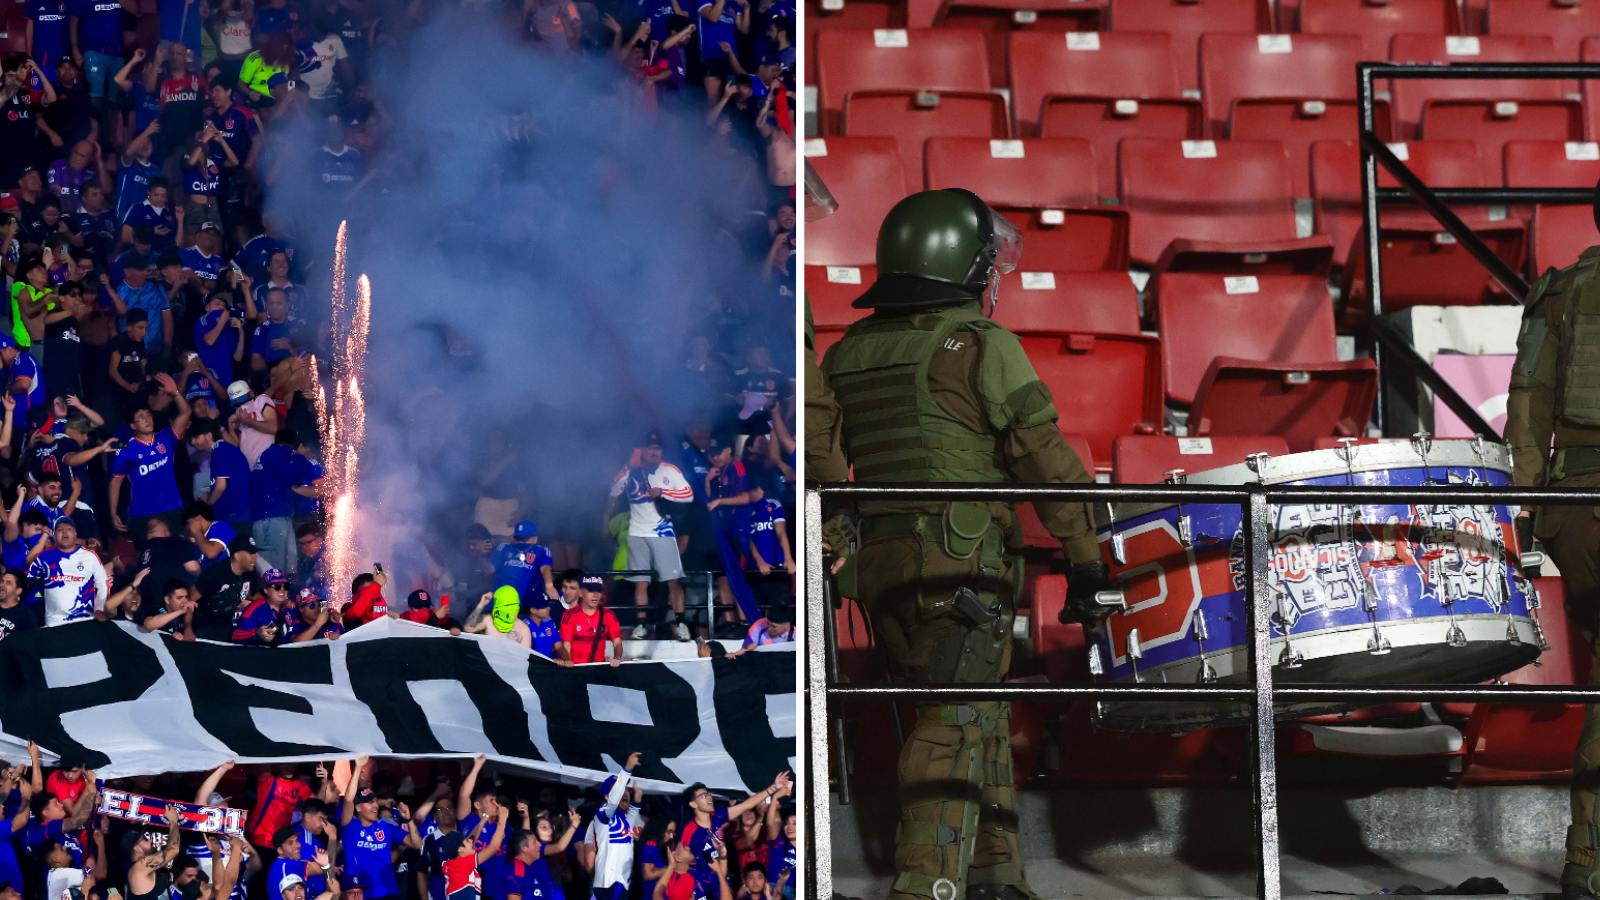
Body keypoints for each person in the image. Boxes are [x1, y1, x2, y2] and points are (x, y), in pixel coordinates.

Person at [819, 188, 1107, 900]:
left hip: (880, 567)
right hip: (960, 562)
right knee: (954, 720)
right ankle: (926, 886)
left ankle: (995, 876)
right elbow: (1045, 460)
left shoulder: (848, 351)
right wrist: (1086, 559)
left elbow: (827, 463)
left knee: (980, 712)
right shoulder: (980, 343)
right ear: (965, 266)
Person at [1507, 201, 1600, 900]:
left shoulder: (1562, 290)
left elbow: (1528, 404)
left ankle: (1586, 861)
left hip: (1578, 504)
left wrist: (1527, 509)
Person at [607, 432, 694, 641]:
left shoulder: (670, 470)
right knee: (641, 582)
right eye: (649, 448)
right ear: (641, 450)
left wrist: (663, 492)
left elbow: (688, 494)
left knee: (673, 580)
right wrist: (629, 466)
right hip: (637, 533)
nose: (654, 452)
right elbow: (614, 490)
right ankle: (641, 625)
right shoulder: (630, 471)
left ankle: (680, 622)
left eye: (657, 448)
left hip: (662, 531)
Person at [108, 371, 192, 540]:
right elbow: (116, 481)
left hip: (172, 507)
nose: (147, 419)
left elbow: (185, 413)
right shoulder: (127, 450)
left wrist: (175, 393)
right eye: (141, 418)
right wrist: (113, 511)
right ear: (133, 425)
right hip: (143, 513)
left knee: (177, 549)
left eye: (148, 415)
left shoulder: (166, 438)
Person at [583, 752, 643, 900]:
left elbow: (633, 813)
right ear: (607, 796)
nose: (624, 792)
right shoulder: (603, 814)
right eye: (619, 789)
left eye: (625, 789)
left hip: (622, 884)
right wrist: (627, 769)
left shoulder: (625, 818)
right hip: (607, 883)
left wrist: (637, 799)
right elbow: (613, 801)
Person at [30, 514, 105, 626]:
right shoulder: (44, 556)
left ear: (75, 534)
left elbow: (103, 583)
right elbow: (29, 574)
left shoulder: (90, 556)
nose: (64, 532)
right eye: (60, 530)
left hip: (85, 621)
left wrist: (100, 608)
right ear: (54, 535)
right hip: (54, 623)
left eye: (69, 529)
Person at [556, 575, 621, 667]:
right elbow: (566, 645)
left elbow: (617, 642)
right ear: (580, 593)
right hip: (576, 668)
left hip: (599, 668)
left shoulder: (609, 615)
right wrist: (567, 660)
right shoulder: (569, 615)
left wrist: (617, 657)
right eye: (591, 590)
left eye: (598, 590)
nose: (596, 595)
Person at [491, 520, 557, 604]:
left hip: (526, 597)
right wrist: (478, 555)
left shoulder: (541, 550)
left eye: (524, 539)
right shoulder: (504, 547)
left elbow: (545, 568)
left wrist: (549, 585)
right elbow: (490, 568)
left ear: (535, 539)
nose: (520, 542)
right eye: (518, 538)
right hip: (501, 595)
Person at [0, 569, 38, 640]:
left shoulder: (26, 617)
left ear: (18, 591)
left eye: (8, 583)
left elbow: (29, 643)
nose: (1, 585)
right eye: (2, 581)